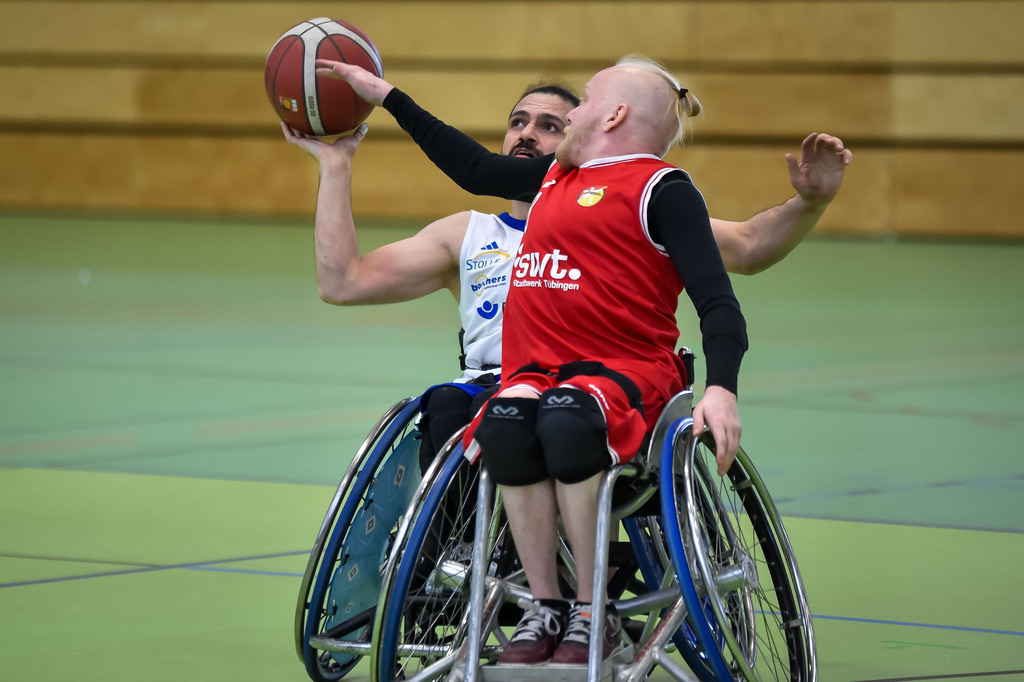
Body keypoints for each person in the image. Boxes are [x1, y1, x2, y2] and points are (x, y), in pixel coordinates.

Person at [312, 53, 818, 667]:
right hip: (535, 376)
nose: (566, 115)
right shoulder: (548, 182)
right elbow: (470, 166)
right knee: (497, 418)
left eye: (575, 106)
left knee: (564, 417)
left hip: (622, 373)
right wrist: (385, 94)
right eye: (525, 119)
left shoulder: (660, 190)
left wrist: (723, 388)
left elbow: (722, 294)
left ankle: (589, 609)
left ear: (613, 114)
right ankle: (539, 602)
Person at [281, 81, 852, 471]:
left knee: (555, 422)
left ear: (583, 140)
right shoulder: (465, 234)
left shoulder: (624, 211)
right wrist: (336, 166)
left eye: (550, 125)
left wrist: (809, 205)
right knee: (446, 409)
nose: (527, 134)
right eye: (517, 122)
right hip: (495, 388)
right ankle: (446, 576)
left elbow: (749, 246)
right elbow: (343, 282)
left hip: (587, 388)